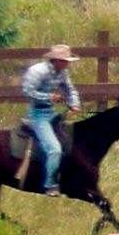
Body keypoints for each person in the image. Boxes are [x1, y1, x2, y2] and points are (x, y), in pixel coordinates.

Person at [20, 43, 80, 195]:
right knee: (54, 149)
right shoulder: (38, 71)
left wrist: (74, 104)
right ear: (56, 60)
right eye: (65, 60)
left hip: (51, 112)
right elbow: (28, 91)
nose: (67, 64)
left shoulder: (62, 72)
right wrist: (49, 97)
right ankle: (50, 185)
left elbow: (70, 89)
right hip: (37, 114)